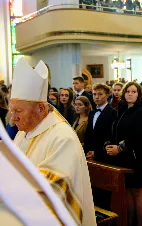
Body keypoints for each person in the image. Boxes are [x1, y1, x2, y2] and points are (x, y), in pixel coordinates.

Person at [9, 58, 96, 225]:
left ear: (41, 108)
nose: (13, 118)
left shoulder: (62, 138)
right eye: (12, 110)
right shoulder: (23, 132)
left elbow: (54, 189)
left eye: (18, 111)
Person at [109, 81, 142, 226]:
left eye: (134, 92)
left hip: (137, 157)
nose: (130, 94)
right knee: (127, 190)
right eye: (128, 91)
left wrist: (119, 148)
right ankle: (130, 221)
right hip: (124, 158)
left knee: (138, 191)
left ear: (139, 95)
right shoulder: (123, 109)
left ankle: (140, 223)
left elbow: (139, 135)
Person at [84, 83, 117, 163]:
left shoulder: (113, 113)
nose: (96, 97)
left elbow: (110, 136)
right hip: (90, 153)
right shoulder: (92, 113)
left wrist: (97, 152)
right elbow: (89, 133)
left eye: (100, 94)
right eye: (94, 94)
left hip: (104, 155)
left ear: (107, 95)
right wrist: (88, 150)